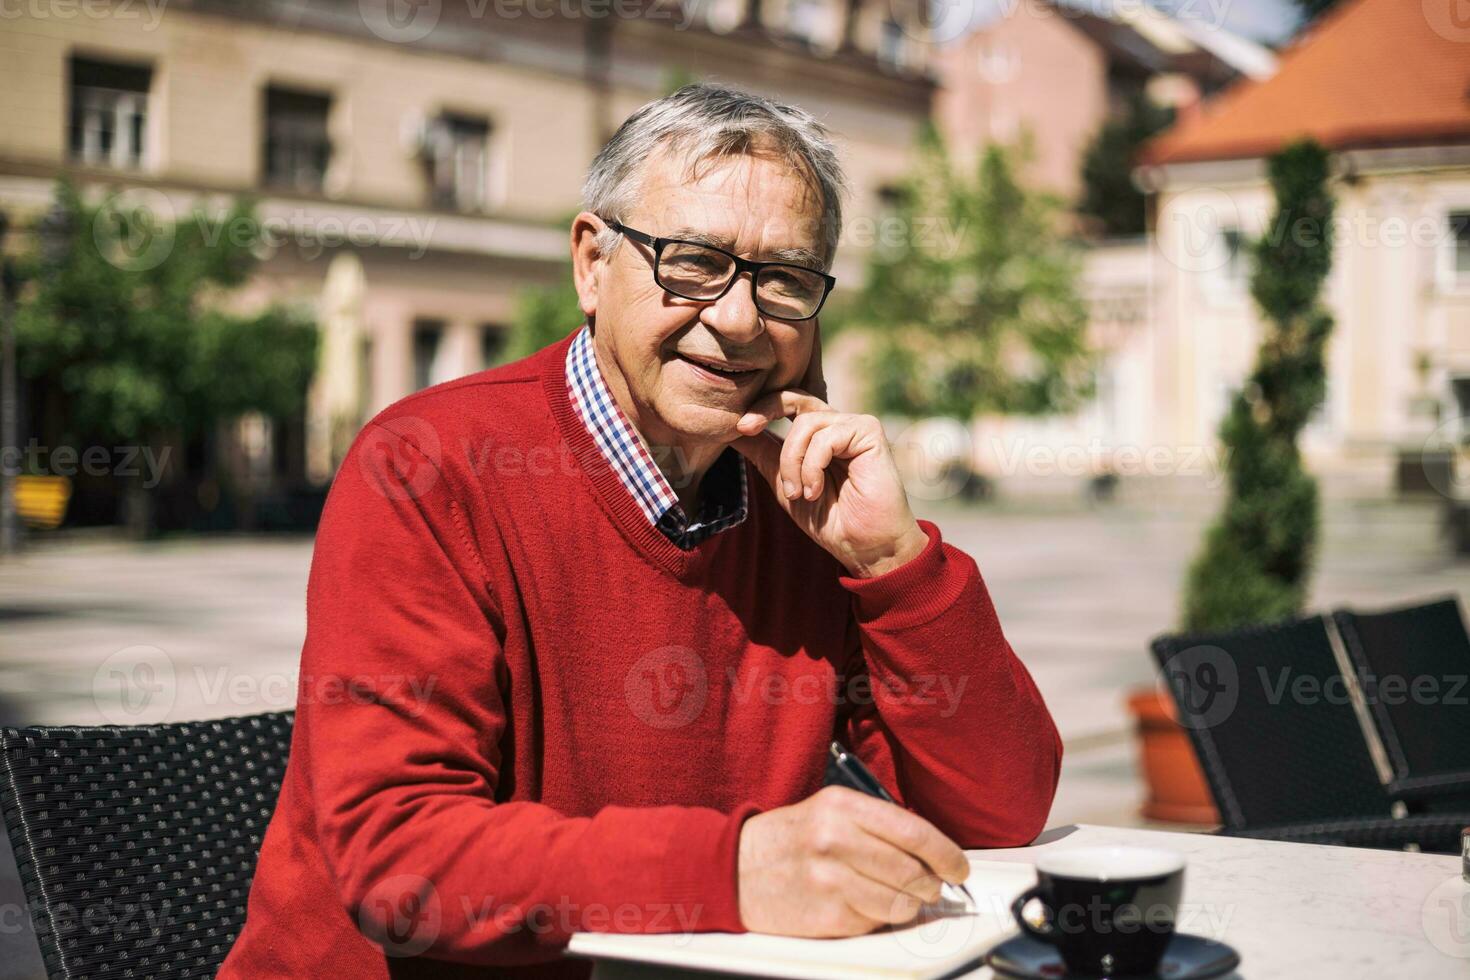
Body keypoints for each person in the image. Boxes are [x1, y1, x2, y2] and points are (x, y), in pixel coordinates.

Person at [219, 83, 1061, 979]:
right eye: (693, 261)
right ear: (591, 262)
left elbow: (998, 812)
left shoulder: (803, 503)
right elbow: (401, 863)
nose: (739, 319)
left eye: (784, 279)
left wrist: (896, 567)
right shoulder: (428, 466)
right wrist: (734, 873)